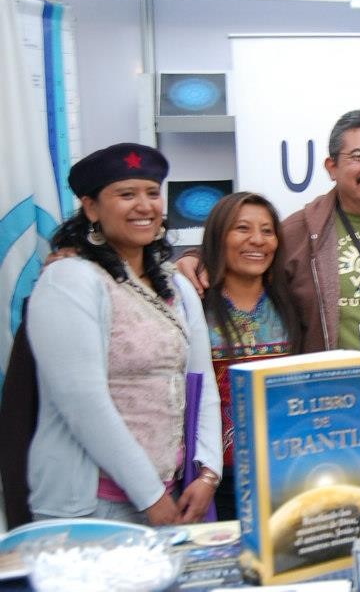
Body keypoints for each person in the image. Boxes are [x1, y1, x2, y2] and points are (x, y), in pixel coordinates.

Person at [179, 109, 360, 504]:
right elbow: (249, 249)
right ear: (331, 167)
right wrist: (194, 258)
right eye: (359, 156)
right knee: (343, 530)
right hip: (333, 423)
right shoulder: (301, 231)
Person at [26, 143, 222, 525]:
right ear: (91, 207)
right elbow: (82, 402)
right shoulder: (69, 279)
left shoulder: (177, 286)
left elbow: (202, 384)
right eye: (126, 194)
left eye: (152, 193)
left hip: (175, 493)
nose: (144, 206)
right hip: (93, 505)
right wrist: (150, 496)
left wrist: (208, 472)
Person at [199, 192, 302, 519]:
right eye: (242, 228)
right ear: (219, 236)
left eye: (267, 231)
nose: (257, 240)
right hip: (213, 475)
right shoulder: (193, 303)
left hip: (287, 470)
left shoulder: (293, 303)